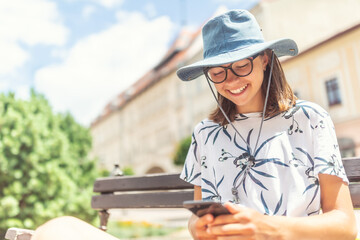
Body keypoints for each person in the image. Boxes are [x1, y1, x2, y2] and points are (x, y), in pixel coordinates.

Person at [176, 9, 357, 240]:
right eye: (218, 72)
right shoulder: (204, 132)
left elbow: (345, 225)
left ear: (265, 59)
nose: (231, 81)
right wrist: (196, 227)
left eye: (241, 66)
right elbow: (198, 214)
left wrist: (270, 228)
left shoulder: (311, 119)